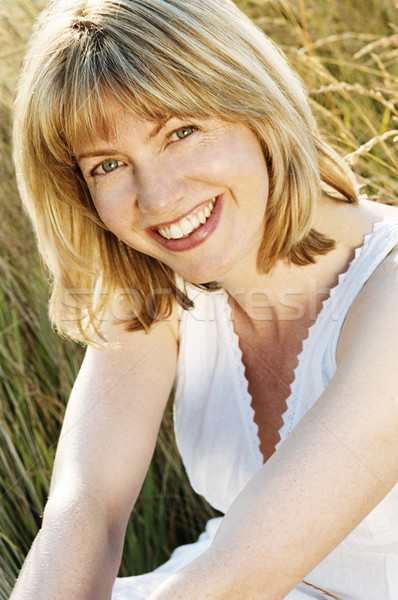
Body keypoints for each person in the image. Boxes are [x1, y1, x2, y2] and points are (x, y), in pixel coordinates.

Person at [10, 0, 398, 598]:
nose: (159, 198)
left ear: (256, 107)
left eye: (181, 132)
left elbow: (235, 579)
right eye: (108, 165)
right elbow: (87, 509)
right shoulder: (155, 287)